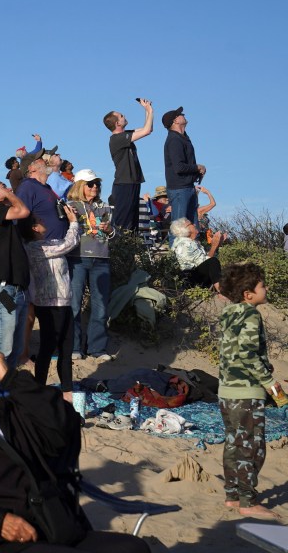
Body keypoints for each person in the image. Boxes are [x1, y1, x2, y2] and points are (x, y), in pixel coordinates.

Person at [0, 326, 151, 553]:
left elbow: (65, 425)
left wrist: (11, 379)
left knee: (134, 549)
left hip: (52, 524)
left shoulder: (7, 404)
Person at [218, 262, 281, 519]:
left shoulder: (229, 312)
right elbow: (247, 353)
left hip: (226, 390)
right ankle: (247, 500)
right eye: (262, 285)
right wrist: (269, 381)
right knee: (252, 447)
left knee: (233, 443)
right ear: (248, 294)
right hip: (247, 392)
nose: (266, 288)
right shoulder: (251, 314)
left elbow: (234, 350)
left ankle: (232, 495)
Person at [21, 205, 80, 399]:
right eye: (40, 220)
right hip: (48, 304)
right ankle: (39, 389)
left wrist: (70, 219)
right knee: (48, 347)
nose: (44, 221)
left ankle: (67, 393)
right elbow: (68, 243)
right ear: (34, 228)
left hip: (63, 302)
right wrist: (73, 222)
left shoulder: (47, 243)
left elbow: (65, 242)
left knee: (67, 347)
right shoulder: (34, 247)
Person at [0, 181, 31, 368]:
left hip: (16, 290)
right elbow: (23, 210)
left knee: (14, 351)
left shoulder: (8, 222)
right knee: (1, 350)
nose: (9, 190)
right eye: (3, 188)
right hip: (2, 290)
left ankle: (3, 394)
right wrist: (7, 195)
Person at [66, 170, 115, 361]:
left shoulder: (104, 207)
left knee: (101, 305)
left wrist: (110, 229)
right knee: (74, 305)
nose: (95, 187)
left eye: (97, 183)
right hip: (76, 258)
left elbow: (114, 233)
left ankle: (98, 348)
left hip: (101, 259)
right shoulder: (71, 206)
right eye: (90, 183)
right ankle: (74, 347)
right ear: (80, 186)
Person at [104, 98, 154, 231]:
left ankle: (131, 248)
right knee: (123, 222)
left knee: (132, 221)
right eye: (121, 116)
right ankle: (120, 248)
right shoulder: (117, 139)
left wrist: (147, 111)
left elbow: (147, 128)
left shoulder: (125, 135)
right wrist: (150, 111)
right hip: (124, 183)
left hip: (132, 182)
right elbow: (146, 131)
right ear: (117, 123)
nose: (124, 116)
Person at [163, 106, 206, 238]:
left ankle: (193, 257)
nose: (183, 115)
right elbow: (179, 167)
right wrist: (197, 167)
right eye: (179, 114)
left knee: (193, 229)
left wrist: (197, 172)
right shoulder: (174, 140)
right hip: (180, 190)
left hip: (186, 188)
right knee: (179, 229)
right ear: (175, 121)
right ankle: (176, 257)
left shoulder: (182, 138)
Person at [170, 217, 227, 292]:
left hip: (195, 276)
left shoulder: (191, 242)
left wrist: (217, 245)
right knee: (213, 262)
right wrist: (214, 246)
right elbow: (207, 262)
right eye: (191, 224)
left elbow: (207, 260)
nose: (194, 224)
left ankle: (220, 288)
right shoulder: (185, 244)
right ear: (185, 229)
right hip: (190, 279)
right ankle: (222, 291)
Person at [16, 157, 67, 240]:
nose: (46, 159)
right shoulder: (27, 186)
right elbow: (20, 218)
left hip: (59, 244)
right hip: (44, 246)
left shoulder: (46, 187)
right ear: (31, 168)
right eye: (41, 159)